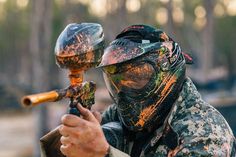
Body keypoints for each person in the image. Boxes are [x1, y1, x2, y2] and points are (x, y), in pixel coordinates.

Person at [43, 24, 236, 157]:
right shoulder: (121, 114)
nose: (123, 90)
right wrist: (75, 132)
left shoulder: (207, 134)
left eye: (136, 77)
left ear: (166, 69)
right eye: (115, 80)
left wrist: (102, 153)